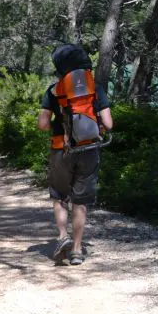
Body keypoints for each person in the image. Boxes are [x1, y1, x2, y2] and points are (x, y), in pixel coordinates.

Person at [37, 44, 112, 265]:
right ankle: (77, 251)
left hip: (61, 150)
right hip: (88, 150)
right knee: (80, 202)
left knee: (60, 197)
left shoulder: (53, 90)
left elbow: (42, 125)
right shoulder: (95, 89)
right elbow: (108, 123)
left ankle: (62, 237)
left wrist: (57, 123)